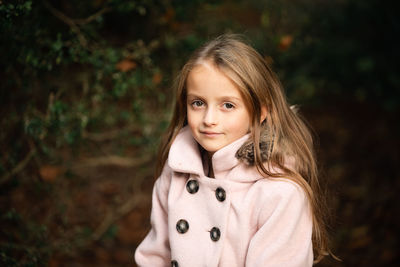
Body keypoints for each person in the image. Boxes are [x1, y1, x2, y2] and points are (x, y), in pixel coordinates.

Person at [134, 34, 331, 266]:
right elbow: (156, 257)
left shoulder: (280, 192)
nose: (209, 119)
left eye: (227, 105)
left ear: (260, 113)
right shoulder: (176, 170)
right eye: (198, 103)